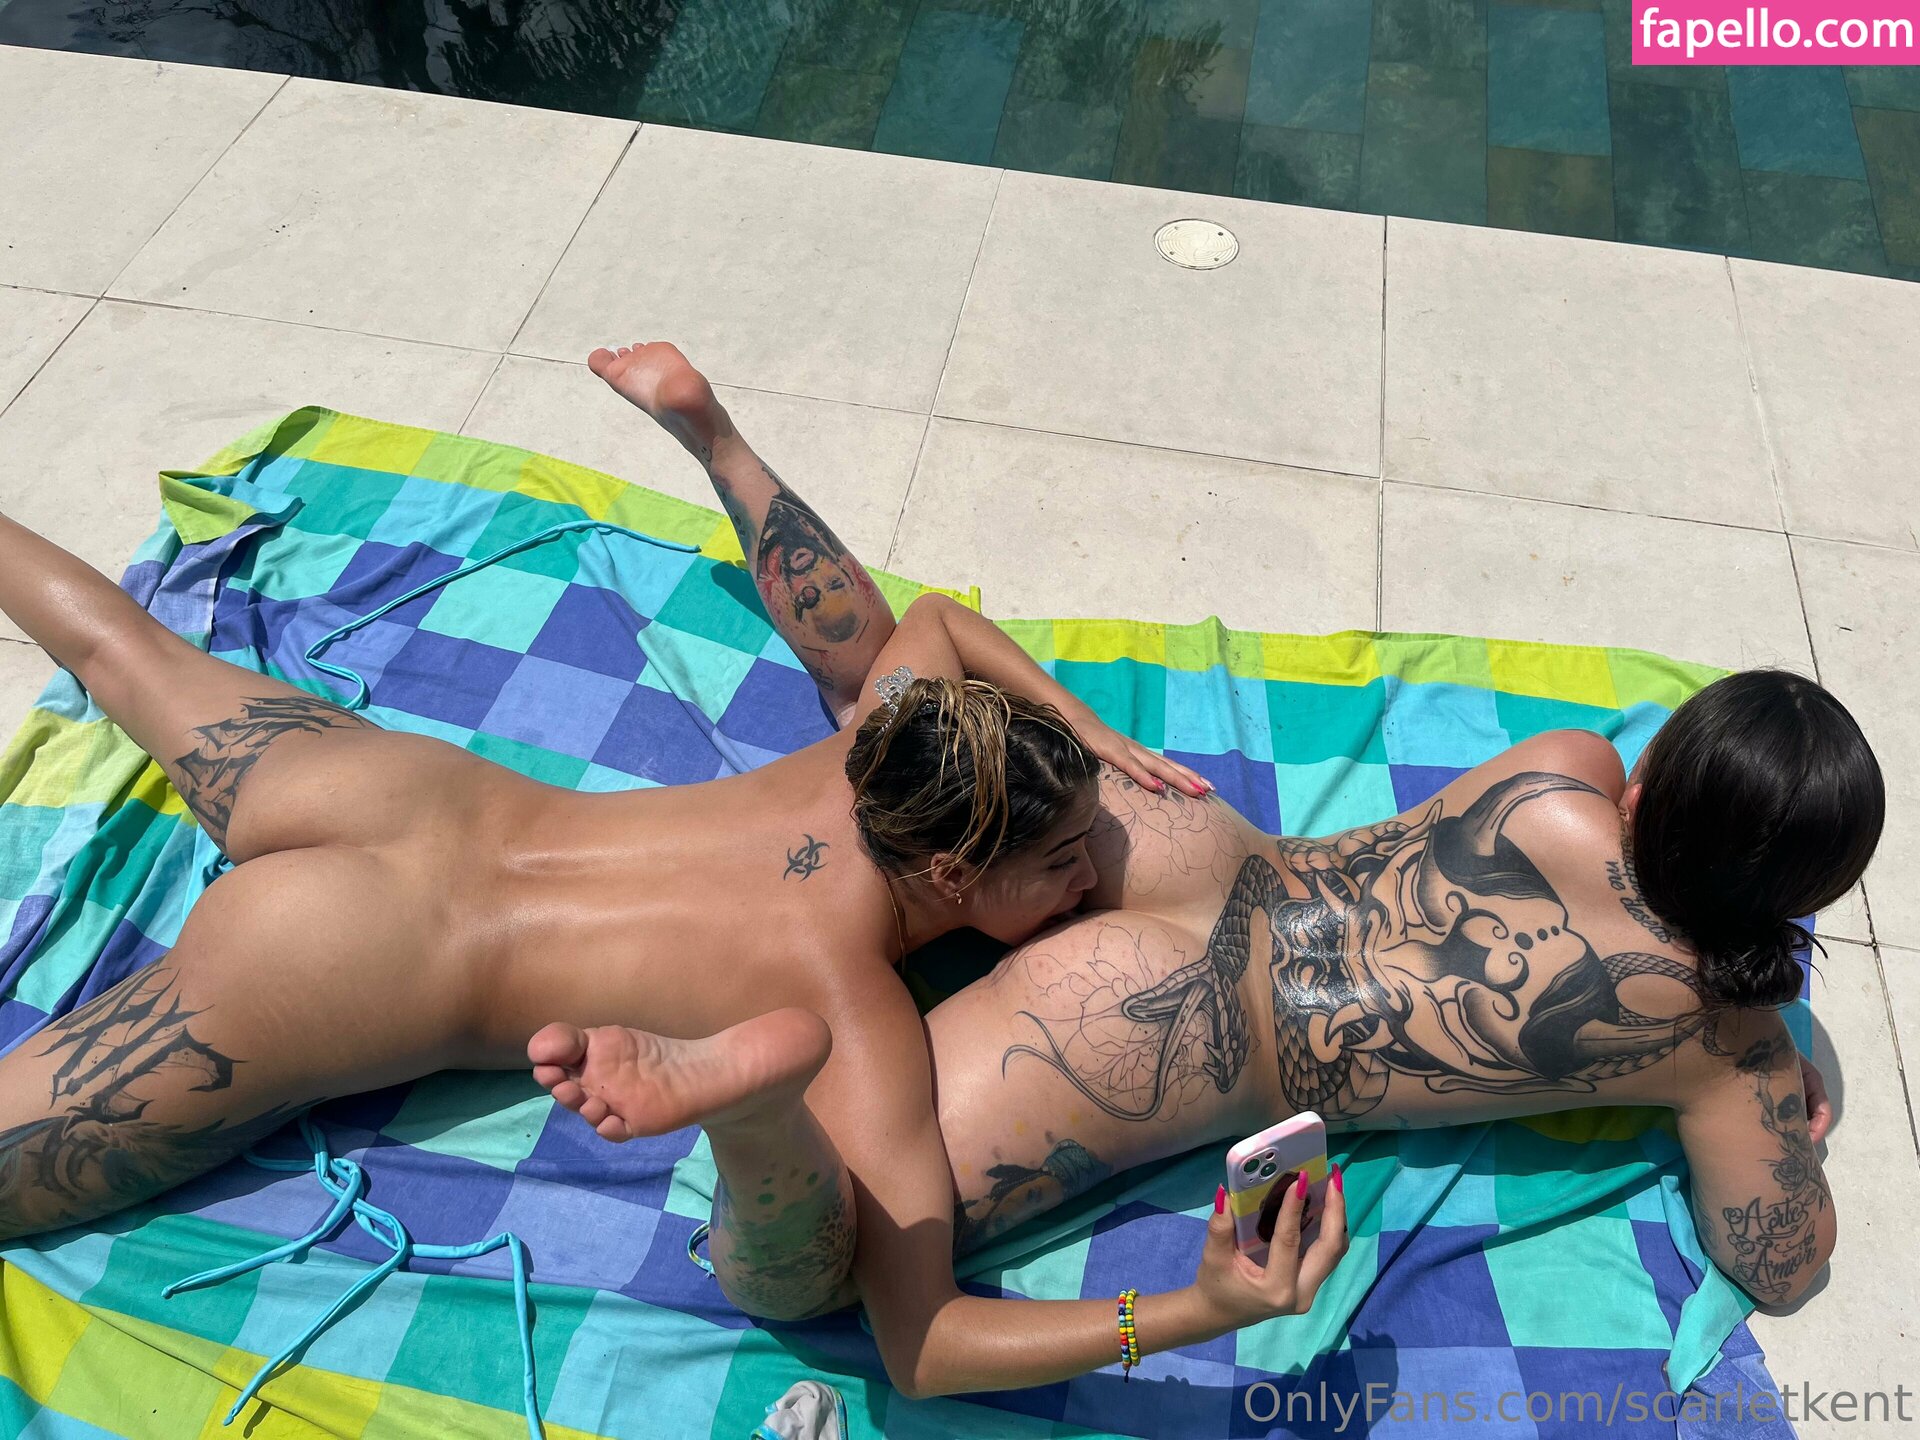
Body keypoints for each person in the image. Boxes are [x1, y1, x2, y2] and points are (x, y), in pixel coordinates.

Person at [543, 343, 1882, 1397]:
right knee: (828, 1259)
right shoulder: (1730, 1055)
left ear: (1655, 778)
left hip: (1207, 851)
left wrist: (1085, 732)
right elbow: (1783, 1265)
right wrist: (1780, 1090)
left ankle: (724, 448)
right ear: (1803, 897)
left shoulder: (1566, 770)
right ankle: (762, 1118)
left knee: (906, 729)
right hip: (1190, 1038)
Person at [0, 378, 1346, 1399]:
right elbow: (923, 1345)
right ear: (950, 872)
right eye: (1060, 862)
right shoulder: (845, 1005)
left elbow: (932, 622)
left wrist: (1074, 728)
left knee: (119, 648)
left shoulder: (872, 752)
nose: (1086, 882)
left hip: (403, 798)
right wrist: (1190, 1311)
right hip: (348, 963)